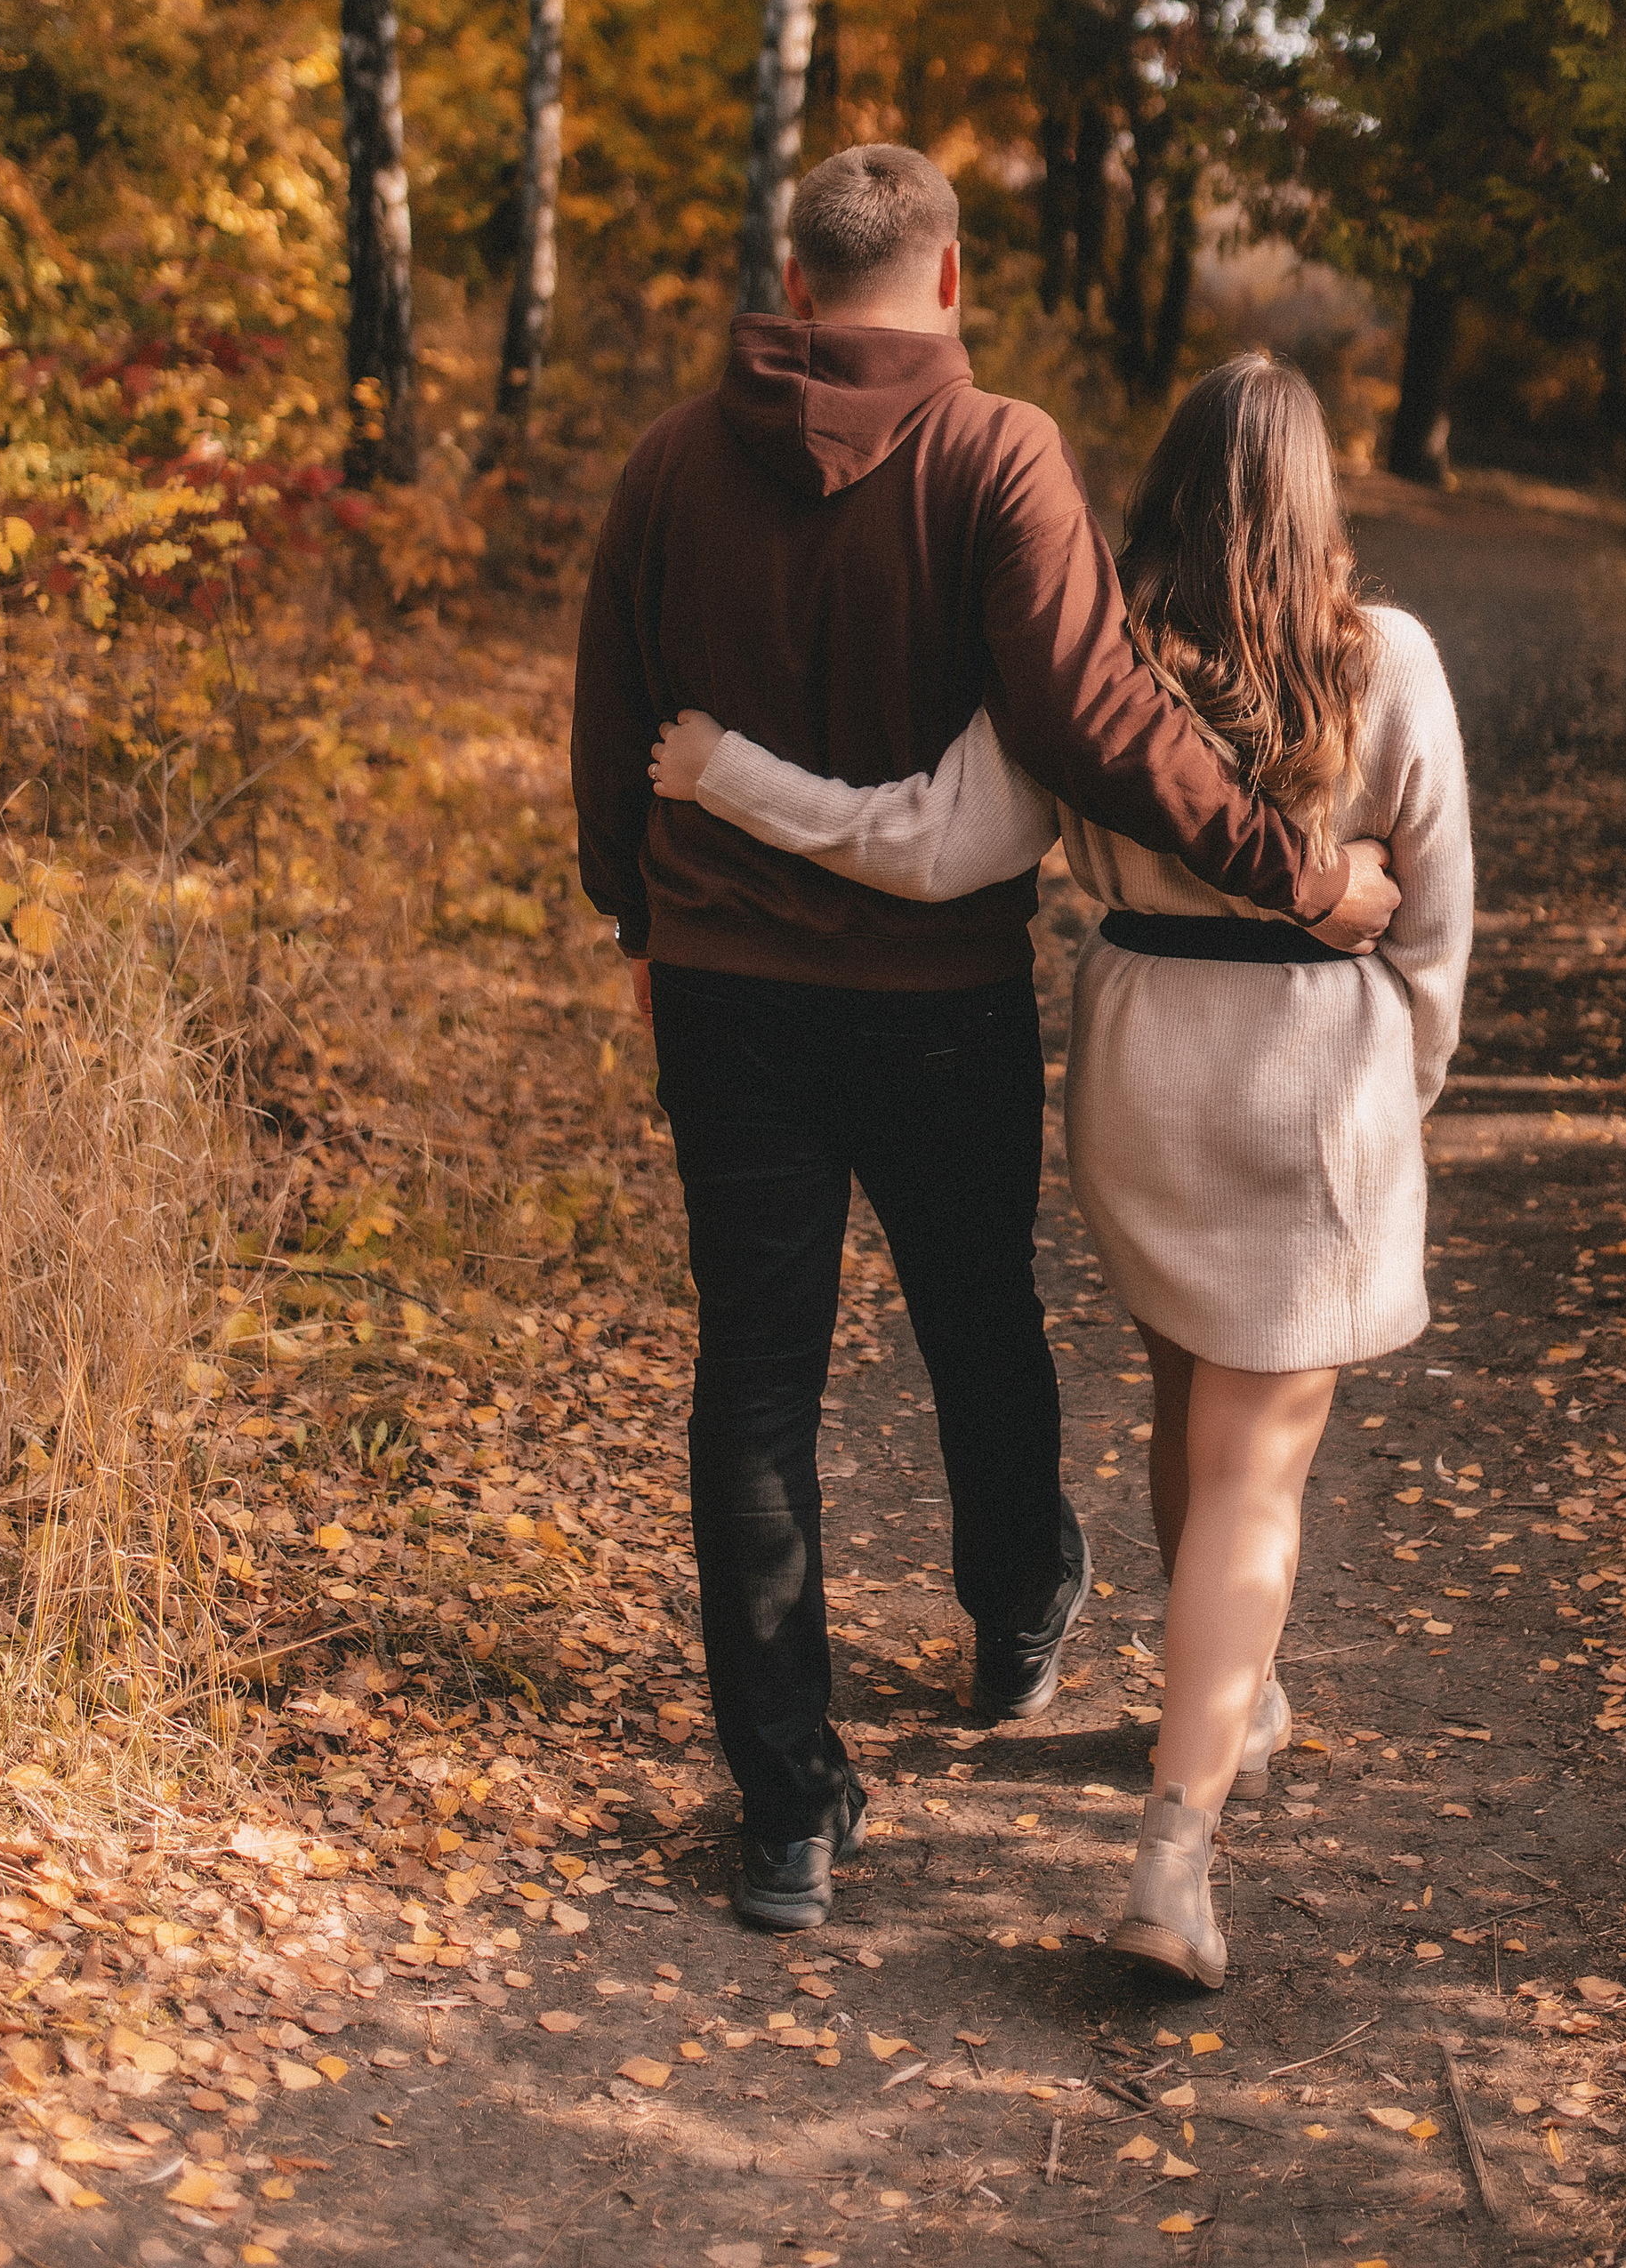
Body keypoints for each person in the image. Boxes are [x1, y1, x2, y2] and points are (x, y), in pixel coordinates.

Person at [570, 148, 1400, 1935]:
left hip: (725, 994)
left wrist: (639, 924)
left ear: (794, 287)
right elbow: (1099, 722)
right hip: (935, 997)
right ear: (946, 284)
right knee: (973, 1311)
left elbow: (610, 717)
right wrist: (1294, 874)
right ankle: (1017, 1605)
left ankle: (788, 1810)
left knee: (758, 1373)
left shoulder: (664, 466)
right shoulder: (995, 451)